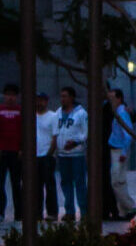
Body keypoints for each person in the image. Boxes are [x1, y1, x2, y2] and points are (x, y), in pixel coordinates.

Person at [0, 82, 24, 221]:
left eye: (13, 95)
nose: (10, 98)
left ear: (17, 97)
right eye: (8, 95)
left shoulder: (21, 111)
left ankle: (19, 213)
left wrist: (22, 148)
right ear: (4, 96)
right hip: (0, 151)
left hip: (16, 152)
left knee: (17, 184)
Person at [53, 87, 90, 223]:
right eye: (61, 96)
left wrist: (76, 142)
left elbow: (86, 133)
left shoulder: (81, 113)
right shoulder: (58, 113)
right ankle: (69, 211)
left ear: (72, 97)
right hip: (63, 155)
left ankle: (84, 212)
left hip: (76, 154)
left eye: (65, 96)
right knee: (66, 183)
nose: (63, 99)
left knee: (80, 183)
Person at [106, 86, 136, 220]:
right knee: (120, 180)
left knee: (116, 181)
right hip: (117, 149)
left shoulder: (121, 113)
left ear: (119, 99)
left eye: (113, 98)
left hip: (119, 149)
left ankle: (130, 206)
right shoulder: (118, 112)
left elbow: (127, 134)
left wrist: (124, 152)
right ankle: (123, 211)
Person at [33, 92, 60, 221]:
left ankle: (52, 212)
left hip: (47, 155)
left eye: (42, 100)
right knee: (36, 186)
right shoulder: (31, 116)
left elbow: (55, 137)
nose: (39, 103)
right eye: (37, 100)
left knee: (49, 186)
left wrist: (50, 154)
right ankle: (37, 212)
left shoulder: (53, 116)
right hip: (34, 156)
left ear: (47, 101)